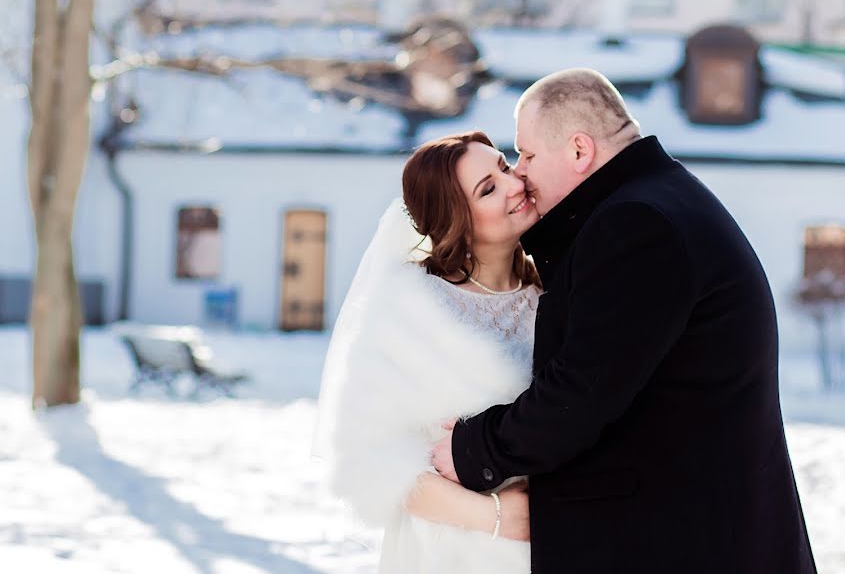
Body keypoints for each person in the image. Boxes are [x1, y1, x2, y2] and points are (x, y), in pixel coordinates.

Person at [432, 68, 818, 573]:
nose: (520, 173)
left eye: (526, 155)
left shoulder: (635, 225)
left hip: (685, 545)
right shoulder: (656, 200)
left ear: (578, 151)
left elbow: (581, 392)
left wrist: (473, 450)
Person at [313, 131, 540, 573]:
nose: (515, 184)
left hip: (556, 546)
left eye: (504, 167)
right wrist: (498, 518)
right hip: (447, 551)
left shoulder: (554, 292)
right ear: (456, 218)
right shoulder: (408, 310)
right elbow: (372, 460)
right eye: (488, 189)